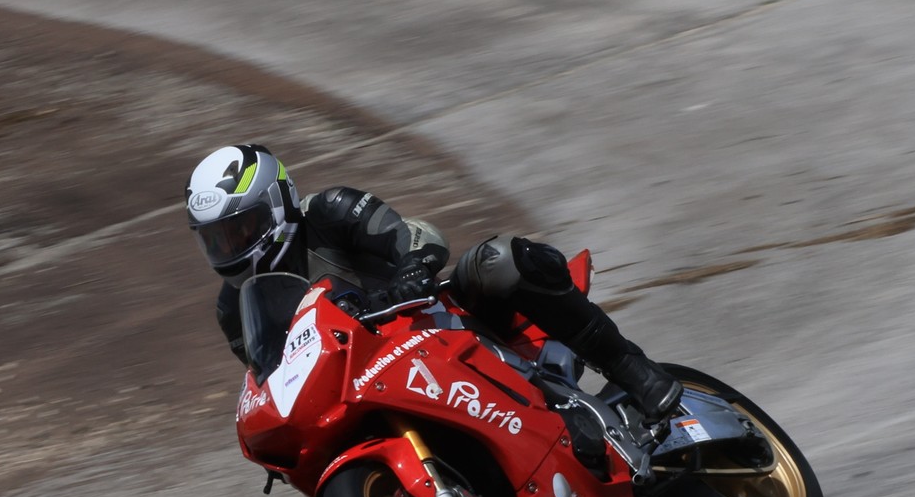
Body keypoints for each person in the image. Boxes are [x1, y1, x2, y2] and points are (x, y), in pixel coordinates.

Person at [185, 143, 681, 421]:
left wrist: (412, 271)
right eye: (216, 240)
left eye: (240, 230)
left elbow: (415, 234)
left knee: (499, 259)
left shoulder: (329, 211)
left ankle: (632, 368)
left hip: (434, 324)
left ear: (277, 204)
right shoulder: (234, 309)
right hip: (361, 384)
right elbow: (270, 376)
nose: (229, 247)